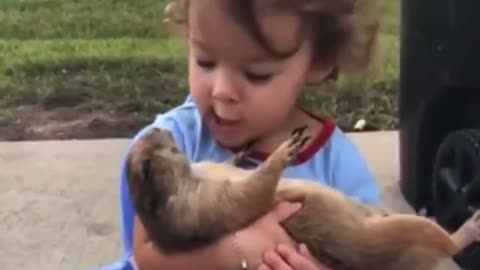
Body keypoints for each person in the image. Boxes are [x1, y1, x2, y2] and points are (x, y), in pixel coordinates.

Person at [98, 0, 381, 269]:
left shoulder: (337, 165)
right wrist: (243, 249)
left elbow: (376, 252)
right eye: (206, 61)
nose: (222, 90)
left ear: (319, 60)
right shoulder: (173, 146)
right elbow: (145, 256)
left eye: (256, 74)